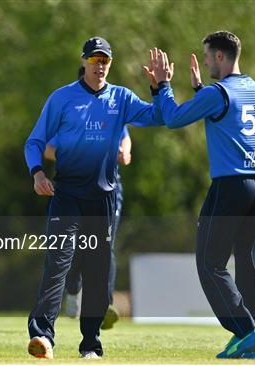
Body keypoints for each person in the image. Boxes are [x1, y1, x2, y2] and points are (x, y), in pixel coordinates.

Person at [24, 36, 163, 360]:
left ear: (109, 65)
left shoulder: (121, 98)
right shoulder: (62, 98)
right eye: (95, 60)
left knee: (98, 272)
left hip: (102, 197)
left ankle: (90, 344)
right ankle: (42, 337)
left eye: (105, 61)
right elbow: (35, 141)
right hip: (67, 194)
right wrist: (38, 173)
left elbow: (160, 117)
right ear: (85, 61)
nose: (100, 66)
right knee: (58, 264)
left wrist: (160, 88)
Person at [150, 31, 255, 359]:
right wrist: (200, 91)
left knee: (210, 264)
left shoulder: (220, 92)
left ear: (220, 56)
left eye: (207, 55)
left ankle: (247, 332)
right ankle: (251, 337)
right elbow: (226, 121)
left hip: (232, 185)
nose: (204, 61)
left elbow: (173, 118)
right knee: (248, 263)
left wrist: (162, 85)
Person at [45, 99, 131, 329]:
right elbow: (48, 148)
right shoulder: (69, 110)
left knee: (106, 243)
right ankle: (73, 290)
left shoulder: (112, 106)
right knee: (74, 245)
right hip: (74, 187)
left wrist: (126, 151)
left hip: (108, 188)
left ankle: (104, 305)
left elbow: (124, 135)